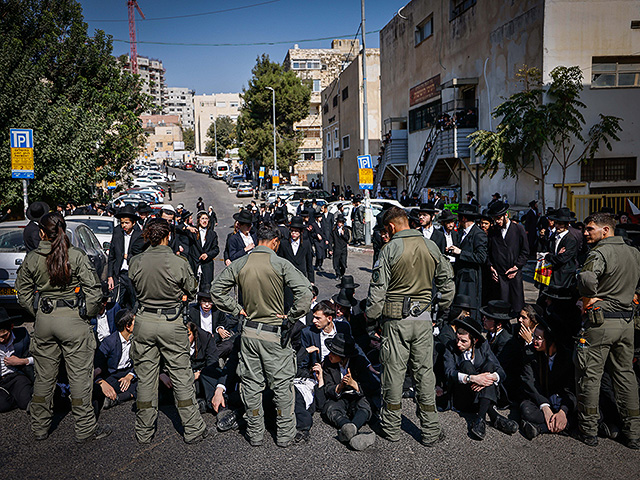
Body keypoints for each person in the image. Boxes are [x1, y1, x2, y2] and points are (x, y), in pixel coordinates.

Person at [211, 224, 313, 448]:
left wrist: (236, 308)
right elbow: (306, 293)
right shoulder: (280, 263)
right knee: (282, 386)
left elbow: (216, 290)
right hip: (273, 334)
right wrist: (291, 316)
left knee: (251, 384)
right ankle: (284, 436)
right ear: (275, 242)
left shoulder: (241, 263)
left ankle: (255, 434)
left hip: (248, 333)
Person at [15, 213, 110, 442]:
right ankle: (85, 428)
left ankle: (39, 428)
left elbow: (22, 292)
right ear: (63, 230)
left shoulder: (33, 258)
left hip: (45, 321)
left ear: (41, 233)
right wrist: (85, 314)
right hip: (74, 321)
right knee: (79, 377)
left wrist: (37, 313)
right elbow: (94, 292)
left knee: (44, 378)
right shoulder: (76, 256)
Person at [366, 207, 454, 446]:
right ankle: (430, 430)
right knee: (425, 374)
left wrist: (371, 318)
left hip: (396, 322)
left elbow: (377, 292)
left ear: (391, 227)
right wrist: (442, 308)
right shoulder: (430, 246)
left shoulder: (389, 249)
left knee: (393, 372)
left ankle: (391, 428)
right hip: (424, 320)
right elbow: (447, 282)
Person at [128, 218, 211, 445]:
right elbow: (192, 288)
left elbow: (133, 286)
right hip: (171, 321)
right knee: (181, 375)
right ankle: (193, 428)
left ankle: (144, 431)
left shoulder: (136, 261)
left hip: (144, 320)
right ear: (168, 236)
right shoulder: (178, 262)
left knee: (146, 377)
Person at [574, 212, 640, 449]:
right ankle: (633, 433)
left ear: (606, 231)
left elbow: (587, 278)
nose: (585, 232)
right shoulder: (634, 252)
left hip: (601, 324)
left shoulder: (599, 252)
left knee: (590, 374)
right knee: (625, 376)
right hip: (627, 324)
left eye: (590, 228)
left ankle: (588, 430)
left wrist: (590, 297)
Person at [443, 315, 518, 440]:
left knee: (489, 366)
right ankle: (494, 417)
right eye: (457, 339)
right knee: (466, 365)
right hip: (463, 397)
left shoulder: (482, 346)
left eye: (463, 341)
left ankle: (480, 419)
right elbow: (449, 372)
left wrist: (490, 377)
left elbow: (501, 372)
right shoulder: (451, 347)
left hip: (481, 399)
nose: (458, 344)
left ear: (474, 341)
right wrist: (472, 378)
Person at [317, 333, 379, 451]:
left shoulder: (359, 362)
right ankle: (348, 428)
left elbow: (372, 385)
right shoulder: (328, 363)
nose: (330, 355)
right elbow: (328, 387)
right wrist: (340, 387)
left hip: (357, 396)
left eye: (333, 353)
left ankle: (353, 427)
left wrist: (354, 384)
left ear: (343, 356)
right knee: (330, 408)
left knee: (365, 405)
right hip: (341, 398)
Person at [520, 320, 576, 440]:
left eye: (539, 338)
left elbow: (571, 387)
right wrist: (545, 407)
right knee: (526, 410)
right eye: (534, 336)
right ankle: (563, 427)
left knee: (583, 414)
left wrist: (563, 412)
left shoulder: (567, 356)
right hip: (541, 397)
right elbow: (529, 382)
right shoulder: (529, 352)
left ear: (550, 340)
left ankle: (541, 428)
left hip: (562, 399)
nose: (534, 341)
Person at [486, 201, 529, 313]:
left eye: (499, 218)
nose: (497, 221)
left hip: (514, 275)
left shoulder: (518, 229)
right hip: (499, 277)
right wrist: (491, 267)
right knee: (500, 310)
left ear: (506, 215)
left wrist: (517, 267)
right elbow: (488, 252)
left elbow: (525, 252)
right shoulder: (493, 231)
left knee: (517, 309)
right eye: (495, 219)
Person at [447, 204, 487, 321]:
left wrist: (460, 252)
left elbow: (481, 257)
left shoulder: (478, 234)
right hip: (460, 275)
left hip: (470, 278)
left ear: (463, 218)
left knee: (468, 306)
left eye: (458, 217)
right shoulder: (461, 232)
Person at [93, 309, 137, 410]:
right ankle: (125, 394)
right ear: (127, 326)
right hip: (112, 375)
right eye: (135, 322)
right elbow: (97, 365)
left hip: (128, 372)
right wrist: (101, 382)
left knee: (144, 383)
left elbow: (140, 362)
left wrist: (130, 376)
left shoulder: (137, 339)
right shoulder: (109, 342)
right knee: (104, 388)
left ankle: (118, 398)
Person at [107, 205, 146, 310]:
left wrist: (128, 257)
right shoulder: (117, 232)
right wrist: (110, 276)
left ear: (133, 223)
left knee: (134, 302)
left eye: (127, 223)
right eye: (122, 222)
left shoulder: (140, 235)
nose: (124, 225)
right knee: (117, 302)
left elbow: (141, 256)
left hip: (133, 275)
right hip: (119, 274)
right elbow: (112, 256)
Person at [0, 309, 33, 412]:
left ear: (11, 327)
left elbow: (39, 358)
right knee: (3, 405)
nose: (1, 340)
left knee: (26, 402)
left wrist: (21, 361)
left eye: (4, 335)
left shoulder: (21, 336)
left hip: (16, 377)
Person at [187, 291, 236, 360]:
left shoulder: (218, 311)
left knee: (228, 345)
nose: (207, 305)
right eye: (204, 301)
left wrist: (219, 328)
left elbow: (224, 323)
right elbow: (191, 326)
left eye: (210, 302)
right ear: (200, 301)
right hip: (198, 343)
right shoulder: (193, 311)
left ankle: (207, 357)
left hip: (214, 343)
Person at [544, 207, 578, 289]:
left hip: (564, 277)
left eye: (560, 224)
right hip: (552, 274)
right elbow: (547, 250)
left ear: (567, 224)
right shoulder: (553, 236)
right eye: (556, 223)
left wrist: (550, 256)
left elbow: (562, 259)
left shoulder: (570, 239)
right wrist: (553, 256)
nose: (557, 226)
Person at [278, 216, 315, 284]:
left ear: (301, 231)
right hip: (287, 279)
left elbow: (309, 263)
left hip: (301, 278)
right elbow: (280, 262)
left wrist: (311, 281)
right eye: (292, 231)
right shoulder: (284, 243)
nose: (293, 233)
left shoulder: (306, 244)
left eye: (296, 231)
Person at [189, 211, 220, 288]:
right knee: (192, 288)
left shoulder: (212, 234)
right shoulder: (193, 232)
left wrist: (208, 255)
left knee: (206, 289)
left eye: (206, 218)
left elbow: (216, 249)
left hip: (207, 265)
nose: (205, 221)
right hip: (194, 263)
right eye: (202, 218)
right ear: (198, 220)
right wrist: (188, 227)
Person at [331, 214, 351, 280]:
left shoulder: (345, 230)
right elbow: (331, 239)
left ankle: (342, 273)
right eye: (339, 222)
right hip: (337, 248)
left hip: (343, 248)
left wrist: (343, 234)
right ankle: (338, 274)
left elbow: (347, 238)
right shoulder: (334, 229)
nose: (340, 224)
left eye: (341, 222)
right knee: (336, 262)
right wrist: (330, 248)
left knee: (343, 263)